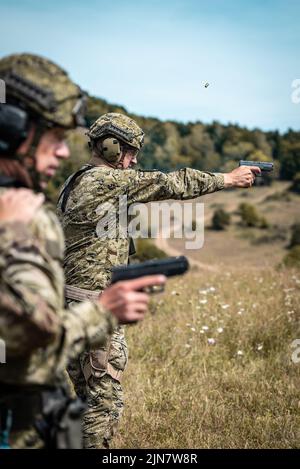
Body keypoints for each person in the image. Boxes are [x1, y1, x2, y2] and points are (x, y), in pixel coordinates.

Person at [57, 112, 261, 448]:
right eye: (130, 151)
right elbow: (171, 182)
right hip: (93, 308)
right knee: (102, 406)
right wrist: (228, 178)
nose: (135, 159)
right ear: (109, 147)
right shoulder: (104, 182)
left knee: (85, 399)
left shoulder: (75, 180)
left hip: (73, 303)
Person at [0, 54, 165, 449]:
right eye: (54, 138)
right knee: (100, 404)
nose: (61, 152)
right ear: (12, 131)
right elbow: (28, 339)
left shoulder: (23, 203)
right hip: (20, 423)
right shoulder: (20, 217)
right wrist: (102, 312)